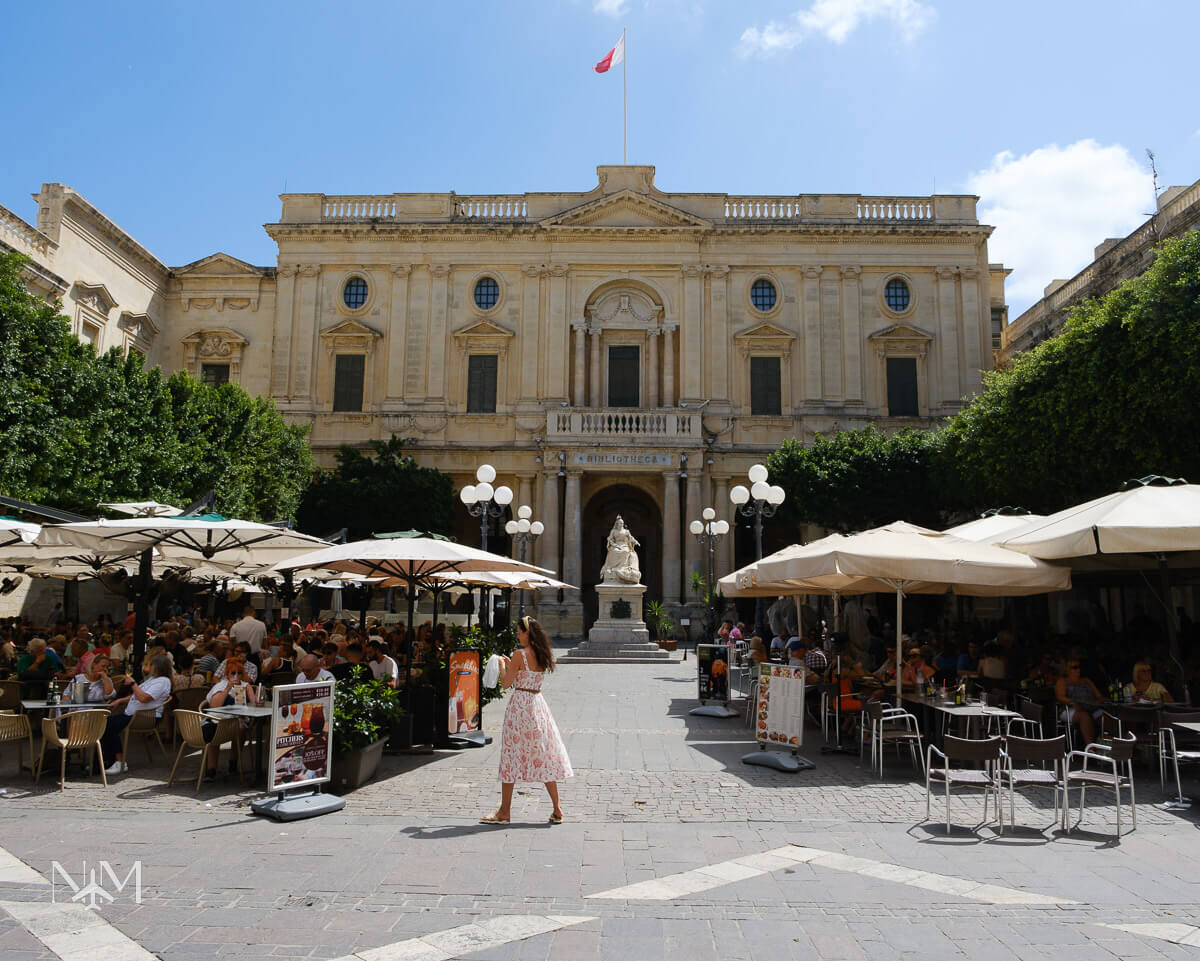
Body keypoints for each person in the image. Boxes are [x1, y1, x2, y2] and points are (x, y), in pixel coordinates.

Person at [480, 616, 572, 824]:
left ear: (527, 633)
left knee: (510, 755)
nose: (516, 634)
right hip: (538, 705)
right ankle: (557, 809)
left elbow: (505, 683)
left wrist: (503, 665)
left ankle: (504, 812)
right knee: (544, 754)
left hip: (520, 706)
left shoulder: (519, 654)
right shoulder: (542, 653)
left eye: (519, 631)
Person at [100, 654, 173, 774]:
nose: (148, 666)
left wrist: (133, 684)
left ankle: (120, 762)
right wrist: (119, 700)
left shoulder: (163, 681)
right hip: (134, 715)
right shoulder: (152, 679)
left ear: (156, 666)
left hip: (145, 717)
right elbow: (135, 695)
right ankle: (108, 760)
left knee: (110, 726)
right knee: (103, 723)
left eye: (150, 664)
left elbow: (144, 698)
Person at [202, 657, 259, 778]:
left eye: (239, 672)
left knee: (241, 727)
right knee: (217, 730)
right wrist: (228, 688)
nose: (236, 675)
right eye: (233, 673)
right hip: (219, 719)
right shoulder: (221, 685)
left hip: (239, 719)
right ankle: (211, 769)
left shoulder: (245, 685)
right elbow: (214, 706)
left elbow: (253, 705)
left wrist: (243, 691)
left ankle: (233, 763)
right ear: (227, 674)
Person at [1056, 659, 1105, 745]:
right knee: (1085, 716)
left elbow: (1099, 696)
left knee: (1106, 717)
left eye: (1079, 667)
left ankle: (1110, 746)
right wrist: (1072, 702)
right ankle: (1091, 749)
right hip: (1071, 709)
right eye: (1075, 667)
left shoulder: (1086, 680)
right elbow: (1060, 697)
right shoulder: (1062, 681)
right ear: (1067, 669)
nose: (1078, 669)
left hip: (1091, 707)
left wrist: (1100, 701)